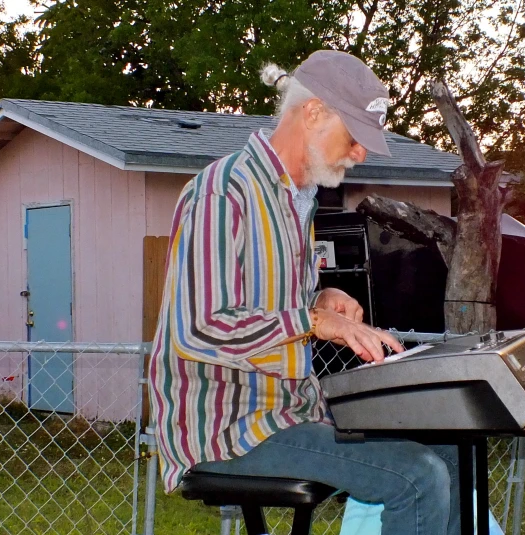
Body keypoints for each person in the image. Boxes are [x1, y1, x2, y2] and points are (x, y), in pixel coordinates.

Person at [148, 50, 460, 535]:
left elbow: (267, 308)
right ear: (313, 112)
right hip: (228, 429)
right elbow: (200, 327)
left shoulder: (299, 201)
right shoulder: (223, 191)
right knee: (416, 477)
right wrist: (315, 322)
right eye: (355, 137)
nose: (360, 154)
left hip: (289, 411)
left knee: (449, 451)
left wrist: (319, 300)